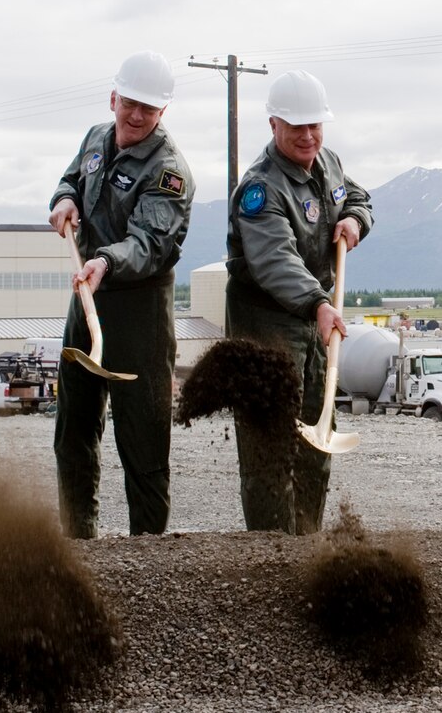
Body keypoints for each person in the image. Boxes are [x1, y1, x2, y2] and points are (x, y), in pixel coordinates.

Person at [49, 51, 196, 539]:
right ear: (114, 97)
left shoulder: (169, 171)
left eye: (148, 109)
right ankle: (78, 538)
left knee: (144, 442)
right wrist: (64, 198)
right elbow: (73, 178)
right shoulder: (96, 138)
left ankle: (146, 557)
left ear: (162, 113)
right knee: (73, 431)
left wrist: (107, 261)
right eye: (130, 103)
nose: (136, 116)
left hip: (139, 308)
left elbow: (150, 242)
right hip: (86, 298)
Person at [225, 70, 372, 534]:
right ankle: (272, 554)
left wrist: (355, 219)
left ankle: (307, 541)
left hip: (313, 321)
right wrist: (317, 302)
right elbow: (274, 260)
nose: (308, 136)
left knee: (316, 435)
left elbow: (357, 195)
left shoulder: (327, 163)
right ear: (273, 125)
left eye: (315, 125)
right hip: (266, 326)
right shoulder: (260, 189)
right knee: (269, 447)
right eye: (296, 127)